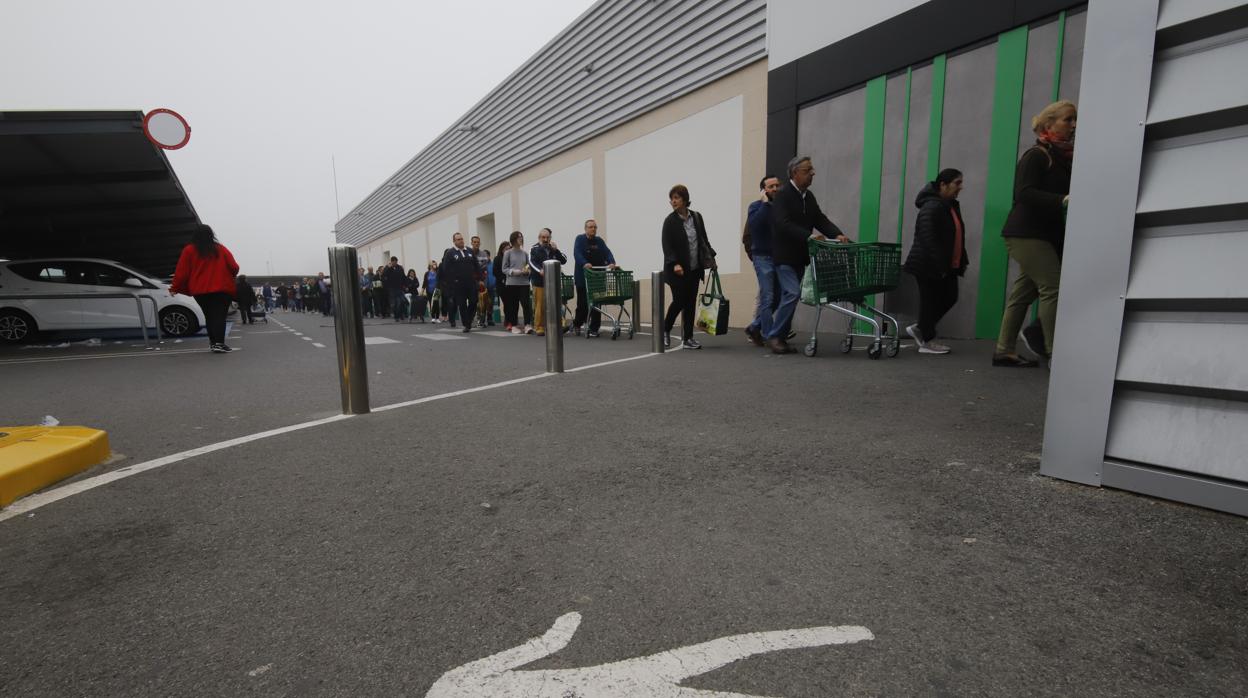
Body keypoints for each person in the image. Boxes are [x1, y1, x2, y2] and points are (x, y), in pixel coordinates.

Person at [994, 100, 1076, 368]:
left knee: (1022, 294)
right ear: (1049, 124)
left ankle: (1004, 350)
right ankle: (1055, 353)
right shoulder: (1037, 155)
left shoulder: (1063, 158)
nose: (1073, 125)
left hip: (1042, 235)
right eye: (1068, 119)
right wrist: (1062, 199)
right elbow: (1024, 193)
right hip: (1027, 233)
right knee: (1052, 287)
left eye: (1075, 120)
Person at [768, 155, 851, 354]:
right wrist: (809, 236)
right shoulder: (783, 194)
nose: (812, 173)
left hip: (800, 257)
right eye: (807, 170)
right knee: (792, 293)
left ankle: (770, 332)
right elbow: (783, 223)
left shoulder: (808, 196)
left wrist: (837, 233)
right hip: (784, 256)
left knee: (790, 295)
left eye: (812, 169)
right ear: (795, 173)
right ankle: (775, 336)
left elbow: (820, 219)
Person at [902, 168, 969, 355]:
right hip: (927, 264)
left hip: (945, 265)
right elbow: (927, 236)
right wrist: (940, 264)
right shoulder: (932, 205)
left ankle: (921, 328)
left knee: (950, 296)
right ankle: (926, 340)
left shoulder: (949, 205)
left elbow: (955, 235)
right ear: (943, 185)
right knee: (930, 301)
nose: (960, 187)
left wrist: (960, 259)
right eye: (957, 183)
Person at [661, 184, 717, 349]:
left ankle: (688, 338)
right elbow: (667, 245)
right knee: (679, 301)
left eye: (676, 198)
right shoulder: (670, 221)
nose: (673, 201)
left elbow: (703, 241)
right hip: (677, 270)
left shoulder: (697, 217)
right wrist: (675, 263)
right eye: (671, 198)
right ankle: (665, 330)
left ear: (685, 199)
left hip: (694, 268)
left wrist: (711, 260)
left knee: (691, 303)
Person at [170, 224, 239, 353]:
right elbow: (234, 267)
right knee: (219, 316)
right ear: (211, 234)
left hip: (200, 291)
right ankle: (219, 343)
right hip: (221, 289)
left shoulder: (189, 250)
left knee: (209, 316)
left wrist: (175, 287)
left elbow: (181, 271)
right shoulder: (220, 249)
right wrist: (230, 274)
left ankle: (213, 343)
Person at [743, 175, 782, 346]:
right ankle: (768, 335)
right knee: (767, 297)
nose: (775, 189)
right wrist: (765, 204)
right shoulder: (756, 207)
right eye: (771, 186)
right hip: (762, 258)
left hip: (780, 257)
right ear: (763, 190)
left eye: (777, 186)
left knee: (779, 297)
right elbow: (755, 224)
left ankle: (754, 326)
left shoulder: (782, 208)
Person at [572, 219, 617, 337]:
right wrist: (584, 263)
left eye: (595, 227)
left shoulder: (599, 241)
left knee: (597, 303)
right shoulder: (580, 239)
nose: (593, 229)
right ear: (585, 229)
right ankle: (577, 324)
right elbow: (577, 253)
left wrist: (611, 262)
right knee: (582, 304)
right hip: (583, 278)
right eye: (591, 227)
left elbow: (607, 253)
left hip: (597, 278)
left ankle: (594, 328)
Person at [529, 227, 567, 336]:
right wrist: (540, 270)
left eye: (547, 237)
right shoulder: (534, 248)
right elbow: (531, 262)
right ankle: (539, 327)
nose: (545, 239)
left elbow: (564, 260)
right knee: (540, 305)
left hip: (553, 282)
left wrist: (557, 250)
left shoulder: (552, 248)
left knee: (556, 304)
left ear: (550, 238)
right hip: (539, 282)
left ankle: (560, 325)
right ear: (539, 238)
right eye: (543, 237)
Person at [439, 232, 478, 332]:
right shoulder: (450, 253)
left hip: (471, 282)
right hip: (458, 284)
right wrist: (451, 282)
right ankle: (466, 324)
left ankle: (468, 320)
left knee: (474, 301)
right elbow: (445, 269)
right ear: (454, 241)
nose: (461, 241)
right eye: (458, 239)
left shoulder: (469, 250)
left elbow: (476, 264)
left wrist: (479, 278)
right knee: (462, 304)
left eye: (462, 239)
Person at [502, 230, 534, 334]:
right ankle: (514, 325)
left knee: (526, 304)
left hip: (524, 283)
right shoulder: (508, 253)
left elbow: (529, 266)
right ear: (513, 239)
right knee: (513, 305)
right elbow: (504, 269)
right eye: (518, 237)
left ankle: (527, 325)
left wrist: (527, 271)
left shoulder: (525, 253)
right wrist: (513, 272)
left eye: (521, 237)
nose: (521, 239)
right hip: (511, 283)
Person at [382, 256, 407, 322]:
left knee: (402, 301)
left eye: (396, 262)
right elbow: (384, 275)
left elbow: (403, 277)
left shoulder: (400, 268)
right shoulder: (388, 269)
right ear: (391, 262)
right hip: (392, 289)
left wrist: (405, 285)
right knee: (396, 303)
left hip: (400, 287)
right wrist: (388, 267)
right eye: (393, 262)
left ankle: (401, 314)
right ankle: (396, 316)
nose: (395, 263)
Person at [492, 241, 510, 326]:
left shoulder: (511, 257)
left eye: (509, 249)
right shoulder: (498, 258)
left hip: (511, 283)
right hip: (502, 284)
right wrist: (502, 279)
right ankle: (507, 319)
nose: (508, 250)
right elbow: (495, 272)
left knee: (513, 302)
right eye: (506, 249)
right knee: (506, 302)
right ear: (502, 250)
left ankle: (511, 319)